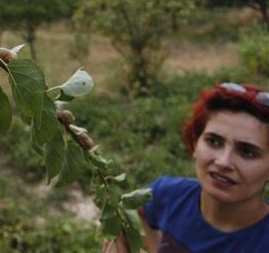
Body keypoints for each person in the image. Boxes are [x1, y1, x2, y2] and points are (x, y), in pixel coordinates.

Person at [102, 82, 269, 253]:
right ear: (196, 143)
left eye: (247, 152)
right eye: (214, 141)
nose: (223, 162)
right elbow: (130, 213)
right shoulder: (167, 195)